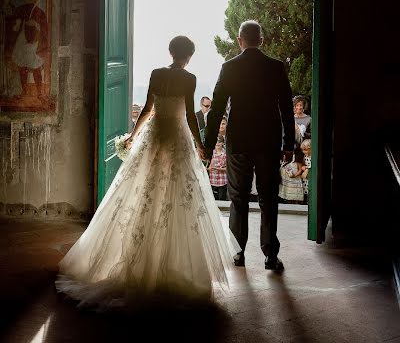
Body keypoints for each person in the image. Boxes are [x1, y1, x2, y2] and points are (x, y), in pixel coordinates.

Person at [56, 36, 237, 309]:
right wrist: (200, 145)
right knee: (176, 199)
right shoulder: (189, 79)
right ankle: (170, 270)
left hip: (154, 138)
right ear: (188, 56)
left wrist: (132, 137)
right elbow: (189, 114)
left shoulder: (156, 74)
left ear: (170, 51)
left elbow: (147, 110)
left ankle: (138, 266)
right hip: (176, 140)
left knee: (143, 195)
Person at [205, 20, 295, 271]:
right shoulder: (276, 67)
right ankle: (269, 254)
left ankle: (238, 252)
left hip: (239, 140)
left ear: (239, 40)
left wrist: (210, 144)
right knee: (269, 197)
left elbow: (216, 110)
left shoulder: (229, 67)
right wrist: (289, 143)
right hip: (268, 140)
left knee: (238, 197)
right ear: (262, 40)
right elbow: (287, 107)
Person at [208, 118, 228, 200]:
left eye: (223, 124)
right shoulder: (213, 151)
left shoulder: (224, 152)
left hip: (223, 179)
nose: (221, 126)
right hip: (213, 179)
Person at [300, 139, 312, 203]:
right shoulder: (305, 156)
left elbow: (312, 164)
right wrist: (303, 166)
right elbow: (304, 163)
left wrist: (307, 167)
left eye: (305, 150)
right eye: (303, 150)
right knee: (305, 188)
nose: (304, 152)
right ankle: (306, 200)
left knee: (310, 188)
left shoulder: (312, 156)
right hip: (305, 176)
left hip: (310, 175)